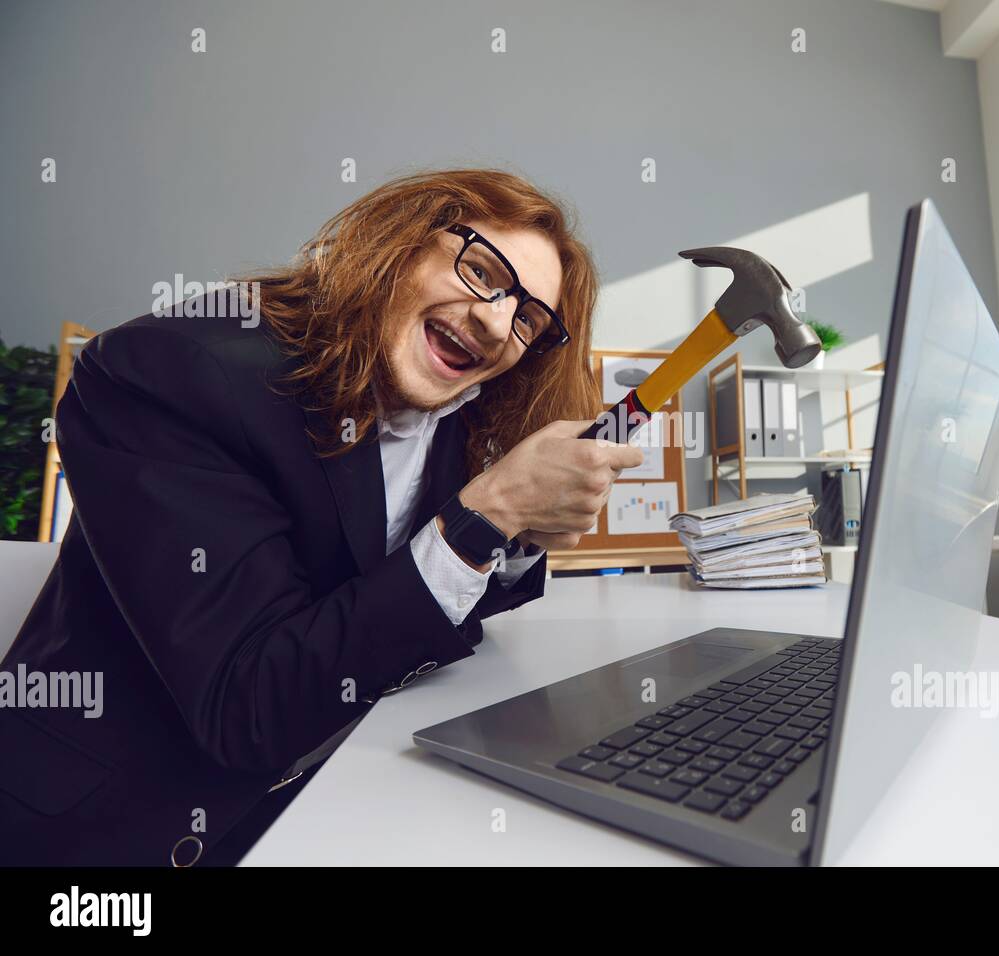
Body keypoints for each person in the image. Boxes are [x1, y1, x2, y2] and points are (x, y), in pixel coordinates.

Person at [0, 169, 642, 865]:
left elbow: (395, 594)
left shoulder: (455, 417)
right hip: (117, 830)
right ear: (398, 245)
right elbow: (247, 708)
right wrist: (490, 514)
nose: (493, 320)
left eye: (526, 320)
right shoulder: (170, 373)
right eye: (481, 269)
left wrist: (517, 535)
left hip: (342, 790)